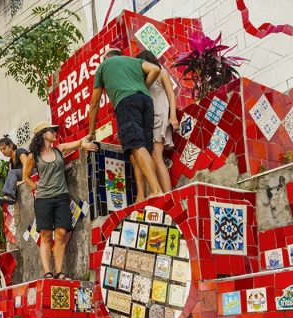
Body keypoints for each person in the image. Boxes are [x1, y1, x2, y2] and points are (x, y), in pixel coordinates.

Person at [22, 121, 97, 280]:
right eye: (51, 131)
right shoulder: (32, 156)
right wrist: (35, 187)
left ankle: (59, 271)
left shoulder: (59, 149)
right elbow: (25, 177)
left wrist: (85, 142)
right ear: (43, 134)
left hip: (62, 197)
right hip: (43, 199)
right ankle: (48, 272)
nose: (55, 133)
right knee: (46, 235)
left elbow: (78, 142)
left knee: (61, 233)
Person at [87, 47, 162, 201]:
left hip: (126, 103)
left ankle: (156, 190)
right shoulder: (134, 61)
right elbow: (155, 69)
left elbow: (94, 103)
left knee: (137, 146)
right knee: (140, 149)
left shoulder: (103, 66)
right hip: (146, 102)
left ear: (106, 57)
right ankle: (141, 196)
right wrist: (142, 87)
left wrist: (92, 132)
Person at [137, 50, 178, 194]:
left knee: (156, 156)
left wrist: (173, 115)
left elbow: (171, 94)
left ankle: (167, 194)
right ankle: (161, 192)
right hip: (149, 119)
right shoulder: (143, 78)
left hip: (160, 116)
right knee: (153, 157)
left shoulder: (161, 72)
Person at [0, 135, 30, 206]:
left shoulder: (19, 151)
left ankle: (9, 196)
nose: (3, 151)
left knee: (12, 172)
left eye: (4, 148)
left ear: (10, 146)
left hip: (32, 171)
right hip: (23, 174)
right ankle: (9, 197)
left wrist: (23, 180)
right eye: (1, 150)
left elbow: (26, 164)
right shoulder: (10, 162)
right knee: (11, 174)